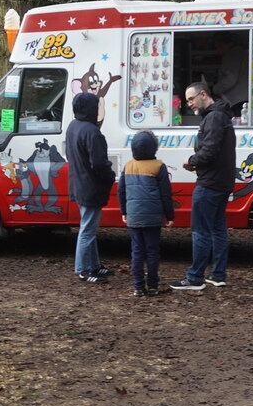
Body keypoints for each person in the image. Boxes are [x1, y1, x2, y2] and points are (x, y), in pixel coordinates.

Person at [170, 83, 236, 291]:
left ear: (203, 94)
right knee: (217, 229)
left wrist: (192, 160)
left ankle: (195, 277)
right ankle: (218, 274)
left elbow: (210, 150)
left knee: (201, 231)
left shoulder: (214, 118)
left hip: (209, 183)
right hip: (222, 181)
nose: (189, 104)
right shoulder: (221, 116)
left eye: (191, 99)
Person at [65, 92, 116, 284]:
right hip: (91, 186)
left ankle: (94, 265)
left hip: (78, 184)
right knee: (87, 229)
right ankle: (84, 270)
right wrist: (110, 177)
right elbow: (99, 163)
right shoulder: (92, 131)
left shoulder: (73, 126)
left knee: (90, 227)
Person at [119, 131, 175, 297]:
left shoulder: (128, 165)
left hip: (134, 216)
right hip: (152, 217)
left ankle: (138, 287)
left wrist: (124, 211)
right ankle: (152, 286)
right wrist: (169, 215)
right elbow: (166, 193)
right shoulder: (158, 166)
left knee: (137, 251)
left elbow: (121, 190)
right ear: (154, 148)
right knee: (152, 251)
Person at [211, 33, 248, 117]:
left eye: (219, 46)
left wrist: (214, 89)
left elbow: (230, 79)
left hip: (236, 101)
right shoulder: (242, 53)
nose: (218, 49)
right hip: (243, 99)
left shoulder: (232, 55)